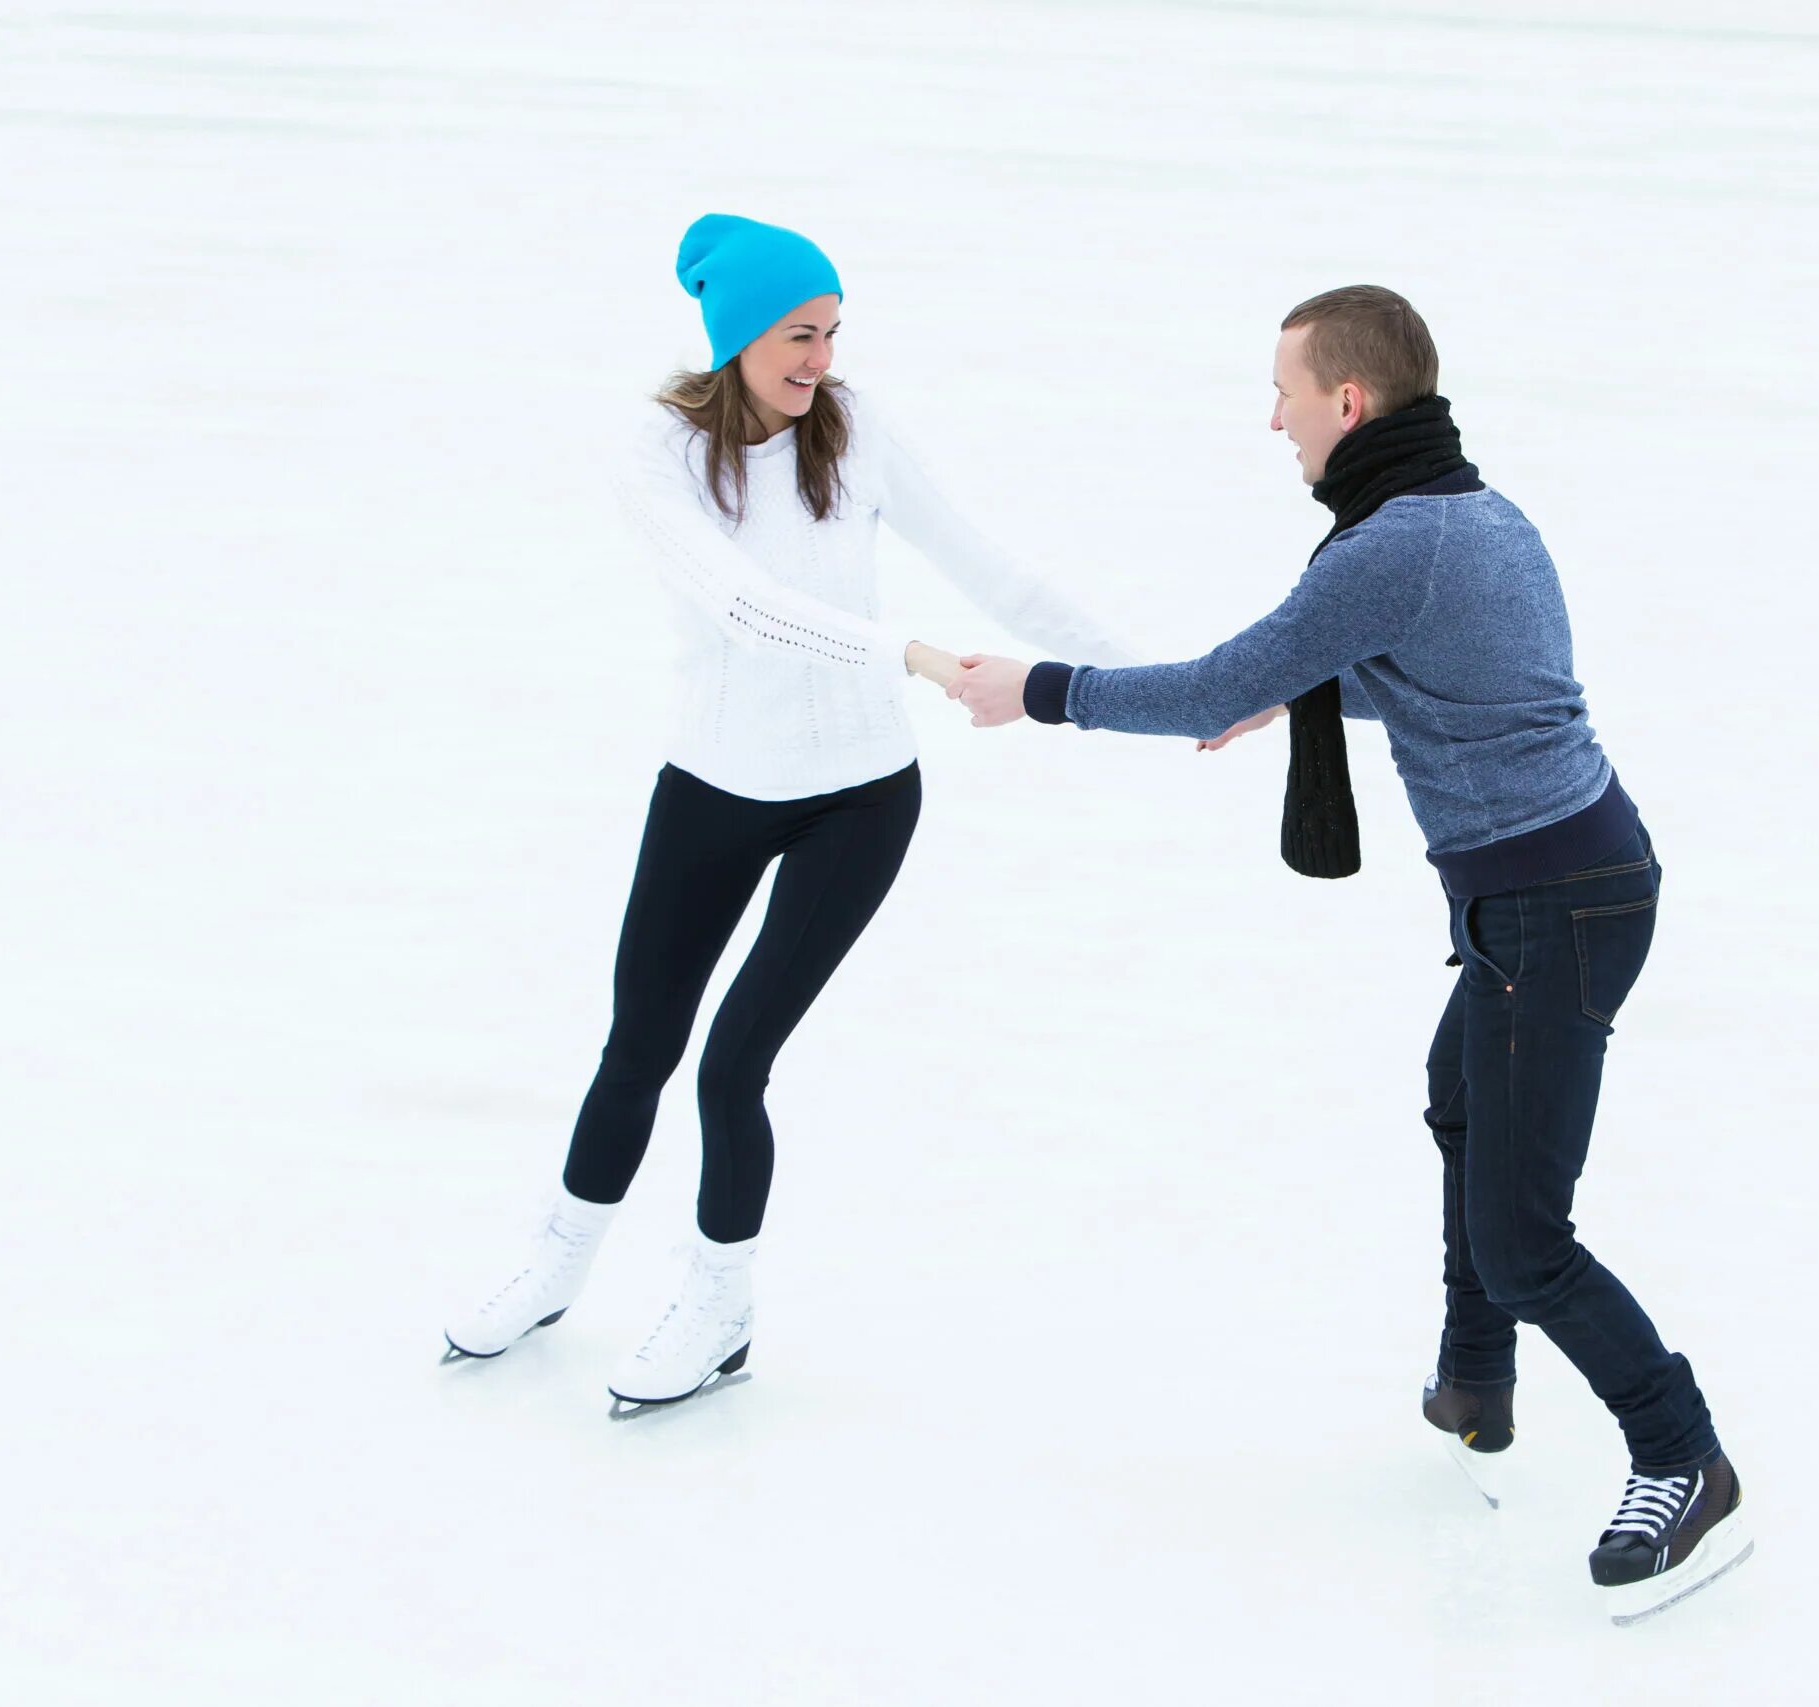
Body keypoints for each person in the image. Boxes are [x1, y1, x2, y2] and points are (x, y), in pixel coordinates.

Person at [947, 287, 1748, 1619]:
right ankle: (1475, 1380)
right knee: (1460, 1104)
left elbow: (1211, 680)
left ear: (1349, 402)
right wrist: (1298, 688)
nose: (1273, 417)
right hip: (1561, 885)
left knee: (1526, 1237)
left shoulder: (1388, 547)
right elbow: (1455, 671)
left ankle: (1682, 1454)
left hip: (1553, 902)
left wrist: (1037, 692)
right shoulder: (1478, 514)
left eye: (1284, 391)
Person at [442, 215, 1135, 1413]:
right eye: (796, 337)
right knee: (636, 1048)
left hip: (857, 801)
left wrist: (1153, 686)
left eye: (829, 334)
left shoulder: (853, 431)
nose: (818, 362)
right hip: (711, 787)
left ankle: (718, 1311)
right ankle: (556, 1268)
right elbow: (742, 608)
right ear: (732, 339)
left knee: (731, 1063)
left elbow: (994, 569)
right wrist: (912, 655)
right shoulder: (655, 452)